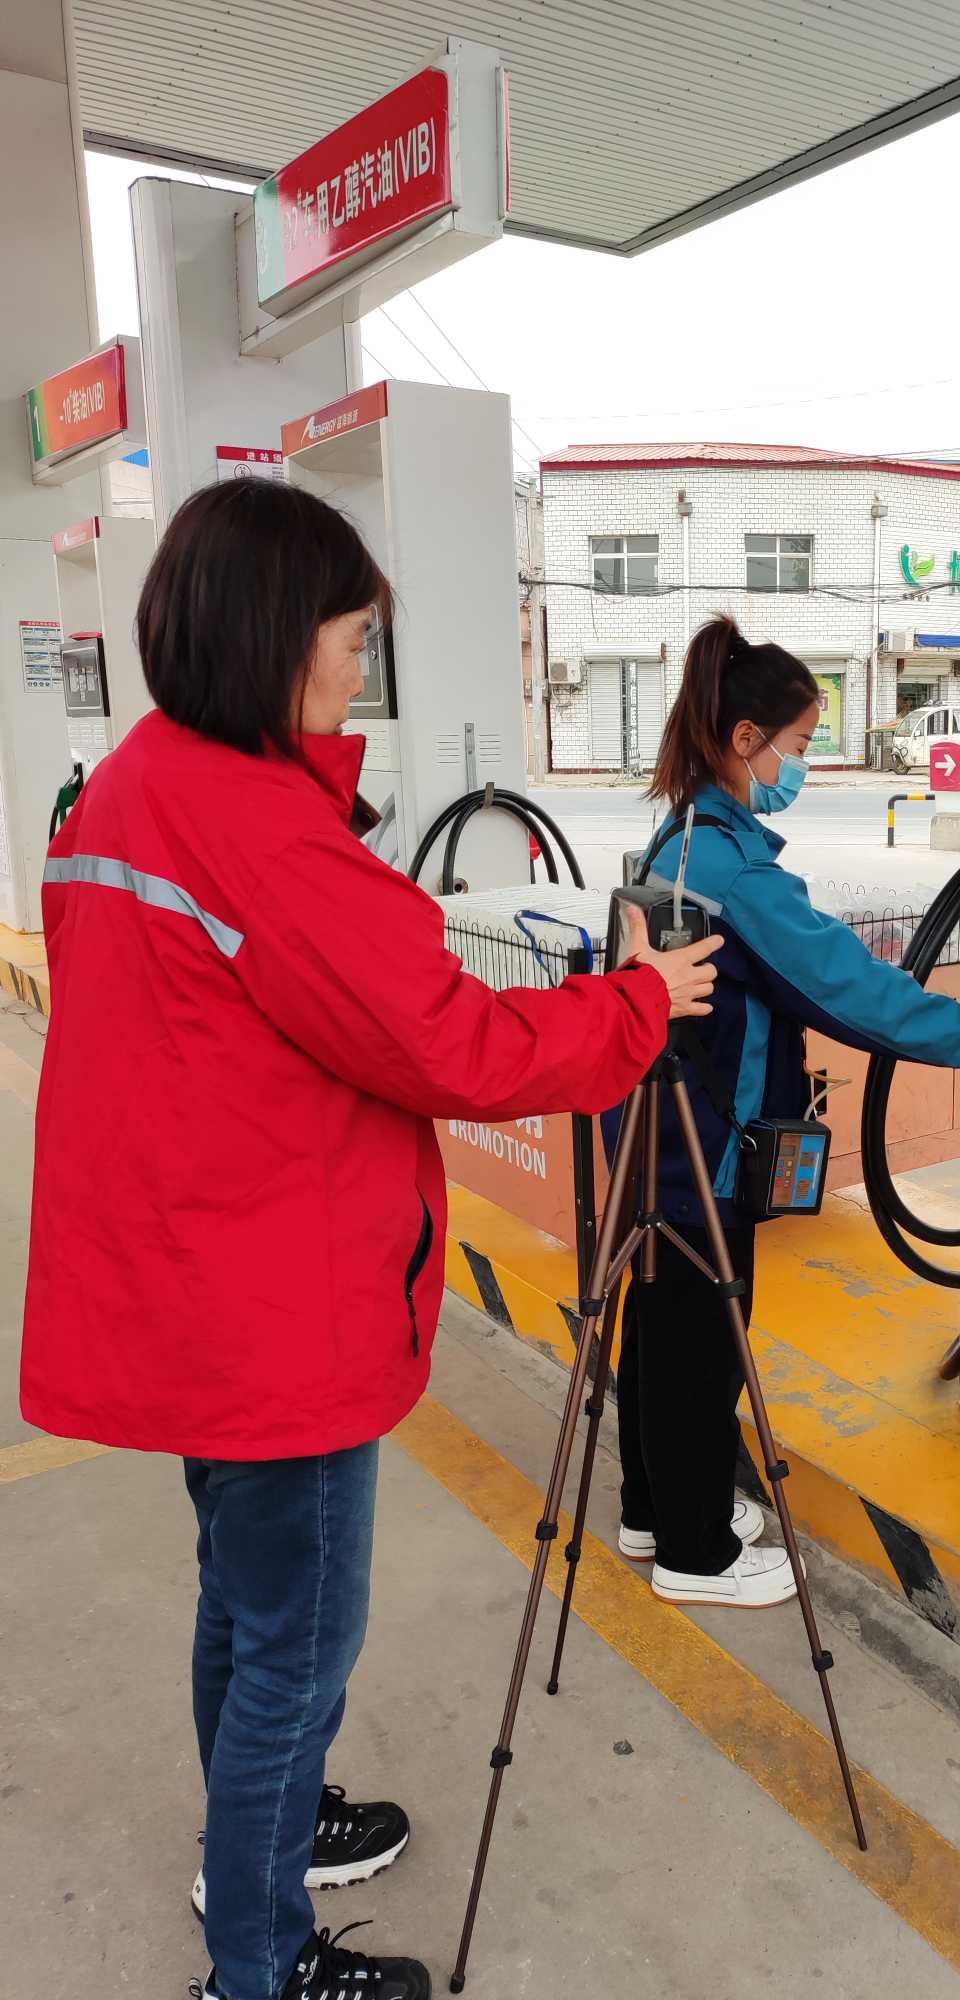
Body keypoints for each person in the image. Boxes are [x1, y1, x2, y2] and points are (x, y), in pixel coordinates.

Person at [19, 480, 722, 2000]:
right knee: (297, 1640)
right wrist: (638, 1002)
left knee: (244, 1603)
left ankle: (260, 1837)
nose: (359, 670)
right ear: (276, 637)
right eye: (350, 639)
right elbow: (450, 1038)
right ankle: (259, 1958)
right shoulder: (263, 834)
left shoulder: (131, 787)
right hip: (279, 1311)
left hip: (193, 1281)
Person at [610, 614, 960, 1610]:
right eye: (799, 744)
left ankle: (653, 1510)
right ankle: (696, 1554)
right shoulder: (734, 869)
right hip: (708, 1148)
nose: (802, 765)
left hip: (657, 1134)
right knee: (703, 1342)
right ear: (745, 738)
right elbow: (849, 988)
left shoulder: (678, 838)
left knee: (661, 1328)